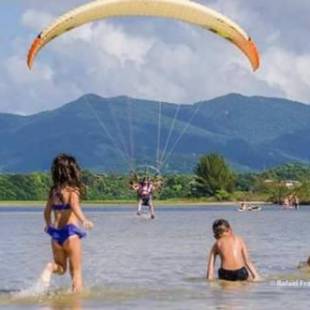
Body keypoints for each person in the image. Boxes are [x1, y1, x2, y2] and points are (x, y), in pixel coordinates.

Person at [40, 154, 94, 292]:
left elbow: (46, 211)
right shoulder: (73, 190)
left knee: (60, 267)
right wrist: (84, 220)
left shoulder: (54, 191)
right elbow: (75, 206)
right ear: (72, 170)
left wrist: (48, 224)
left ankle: (49, 267)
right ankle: (76, 303)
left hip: (56, 236)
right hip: (70, 234)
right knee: (76, 272)